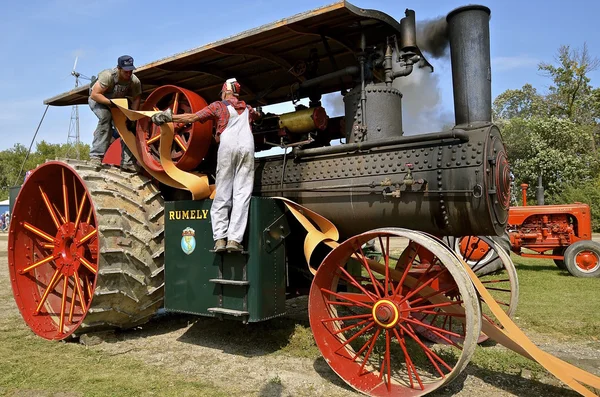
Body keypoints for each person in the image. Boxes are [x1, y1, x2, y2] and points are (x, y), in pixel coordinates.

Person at [152, 78, 260, 253]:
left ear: (225, 92)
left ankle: (219, 239)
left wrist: (169, 117)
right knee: (242, 194)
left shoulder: (218, 106)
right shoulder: (248, 109)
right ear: (237, 93)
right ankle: (234, 240)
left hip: (227, 147)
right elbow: (258, 116)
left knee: (223, 192)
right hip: (247, 149)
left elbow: (192, 117)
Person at [89, 55, 142, 173]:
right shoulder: (108, 76)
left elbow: (137, 98)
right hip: (100, 100)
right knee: (105, 118)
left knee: (129, 125)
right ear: (119, 68)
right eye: (126, 71)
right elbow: (95, 95)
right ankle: (96, 157)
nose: (129, 74)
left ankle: (128, 162)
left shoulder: (134, 81)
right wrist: (110, 103)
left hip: (117, 103)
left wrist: (131, 116)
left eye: (131, 71)